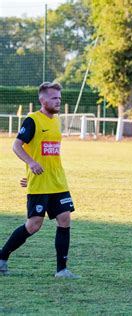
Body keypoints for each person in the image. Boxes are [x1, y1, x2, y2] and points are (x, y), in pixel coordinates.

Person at [0, 82, 79, 279]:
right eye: (54, 98)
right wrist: (32, 164)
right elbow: (17, 146)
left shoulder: (56, 121)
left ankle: (62, 270)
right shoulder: (32, 120)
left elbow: (49, 153)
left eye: (59, 98)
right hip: (40, 184)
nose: (58, 101)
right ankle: (2, 256)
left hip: (58, 182)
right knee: (34, 225)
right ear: (42, 100)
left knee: (65, 219)